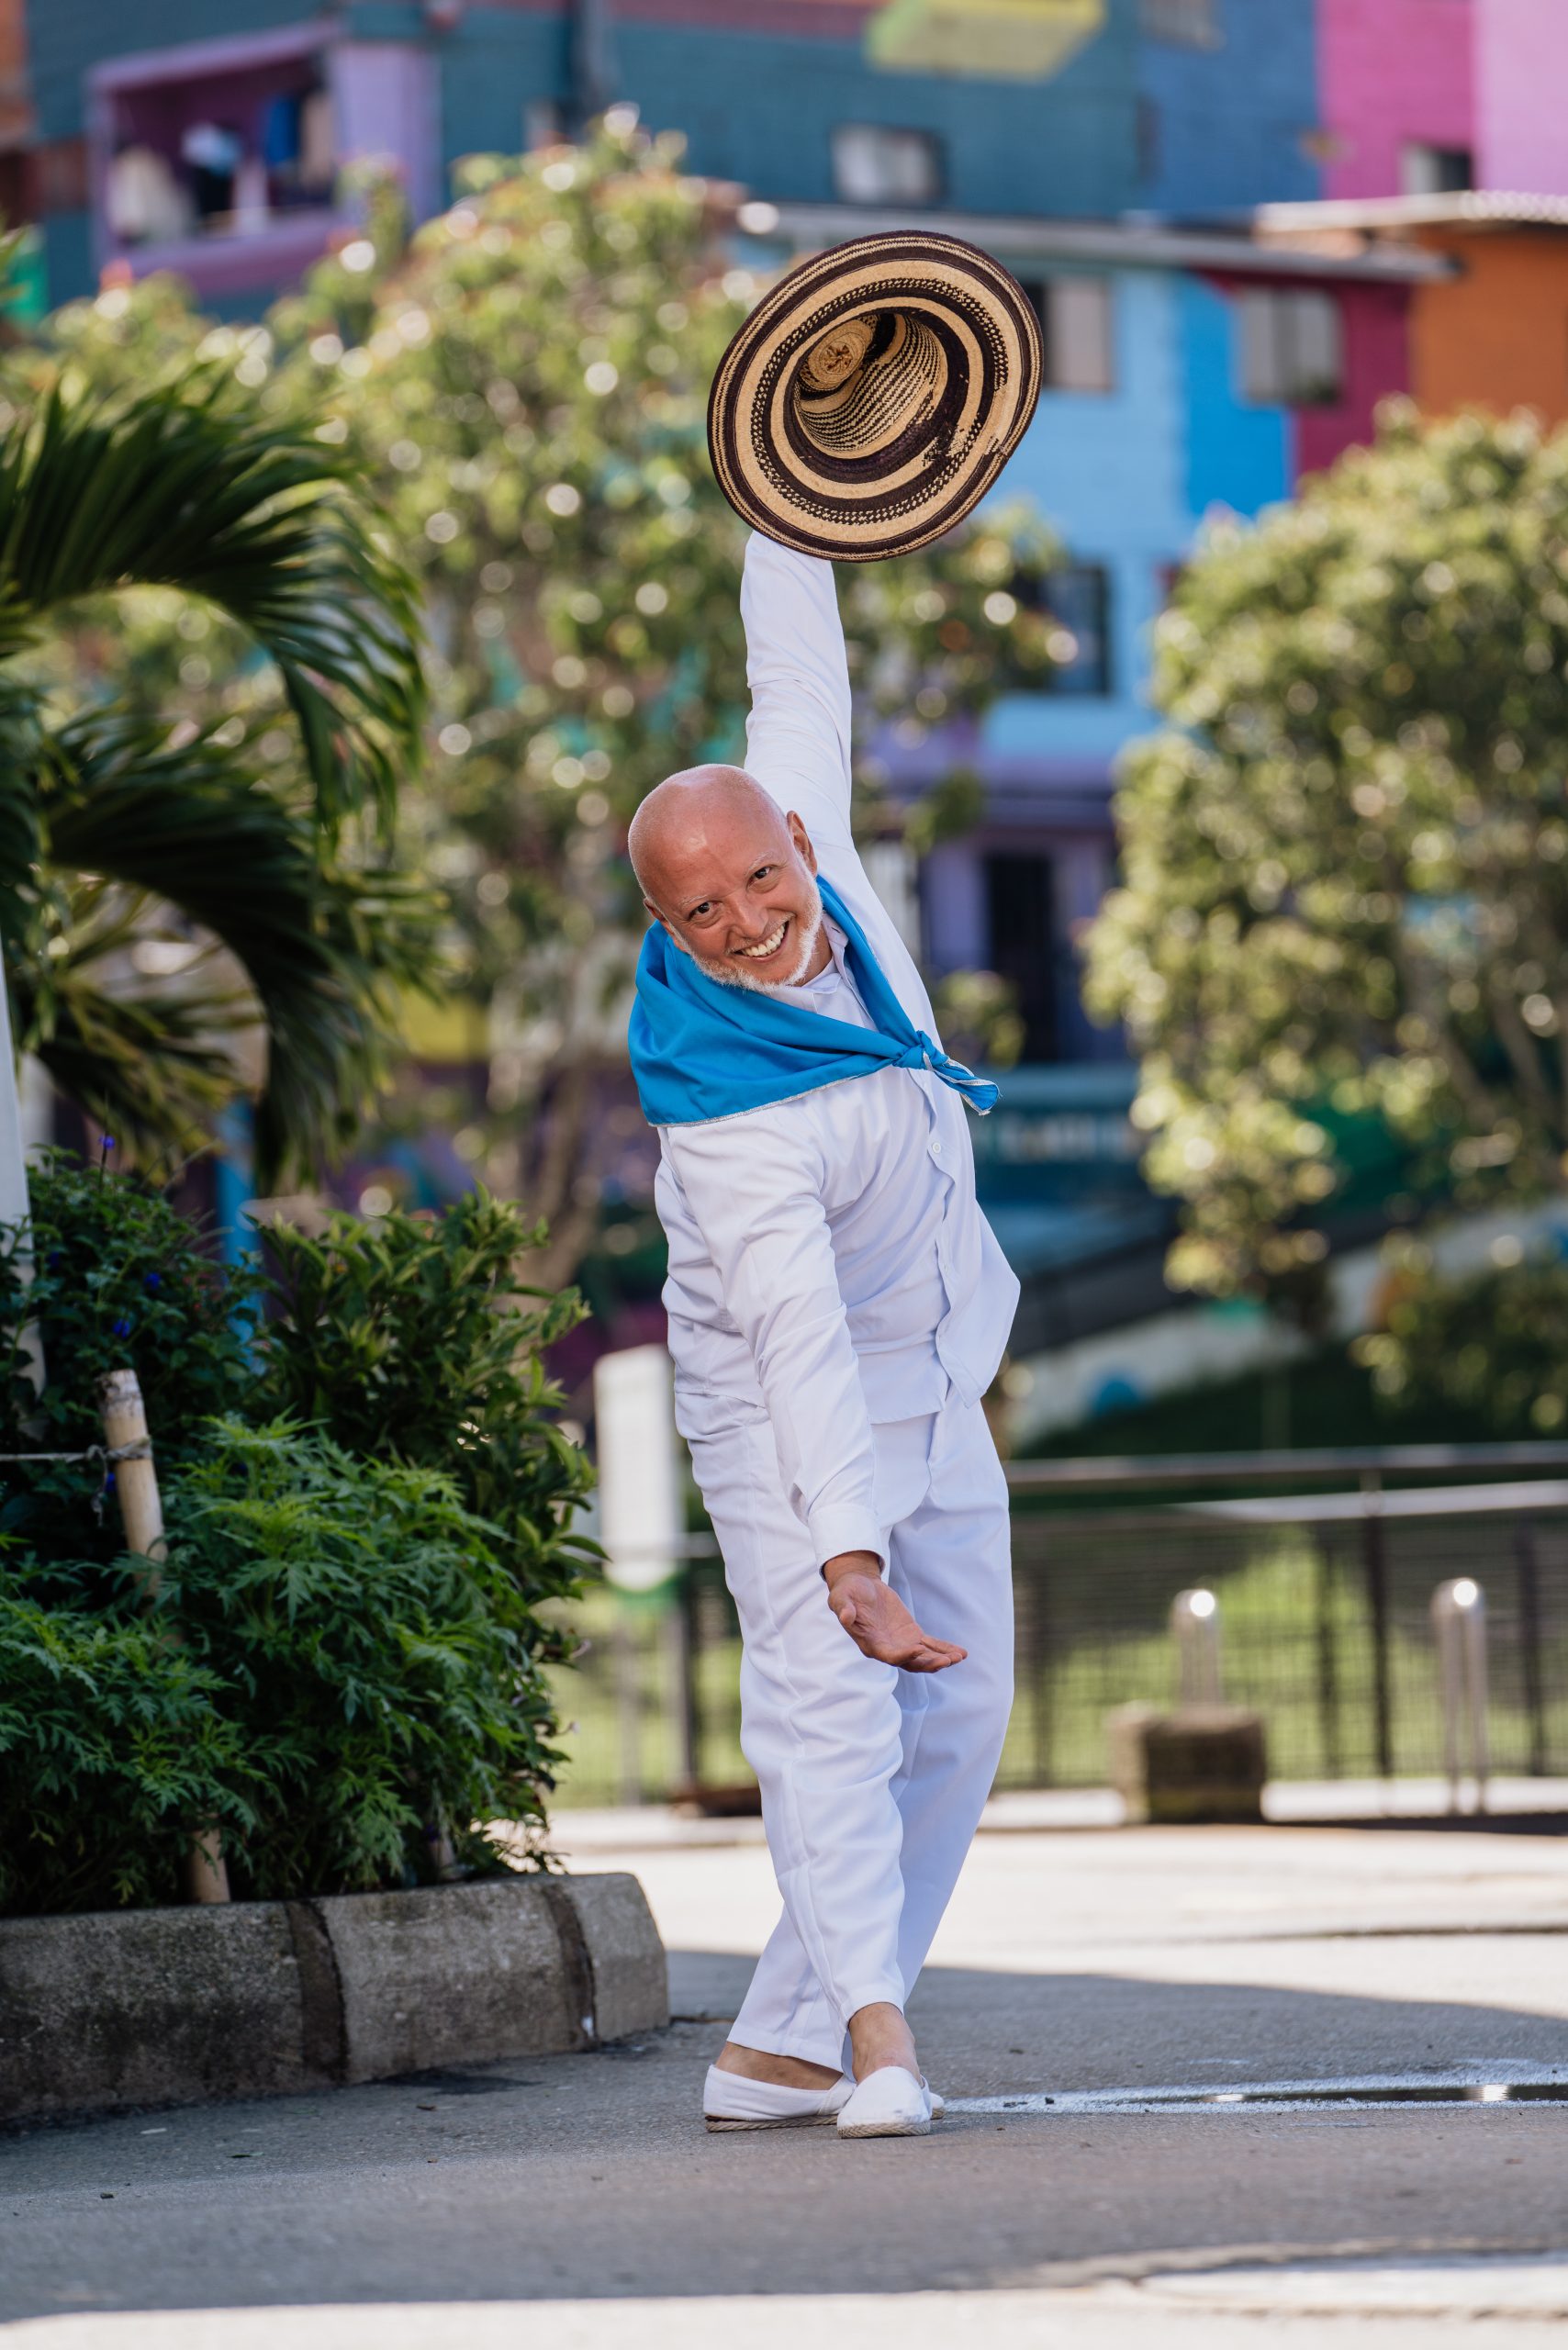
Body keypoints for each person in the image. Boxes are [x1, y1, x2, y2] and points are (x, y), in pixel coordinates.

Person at [627, 528, 1020, 2139]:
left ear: (796, 840)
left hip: (935, 1376)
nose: (745, 922)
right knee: (832, 1715)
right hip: (790, 1421)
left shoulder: (815, 840)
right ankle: (873, 2041)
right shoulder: (728, 1118)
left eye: (759, 880)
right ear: (667, 926)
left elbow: (795, 667)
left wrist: (784, 484)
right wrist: (846, 1558)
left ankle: (773, 2052)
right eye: (700, 911)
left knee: (967, 1708)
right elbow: (792, 1338)